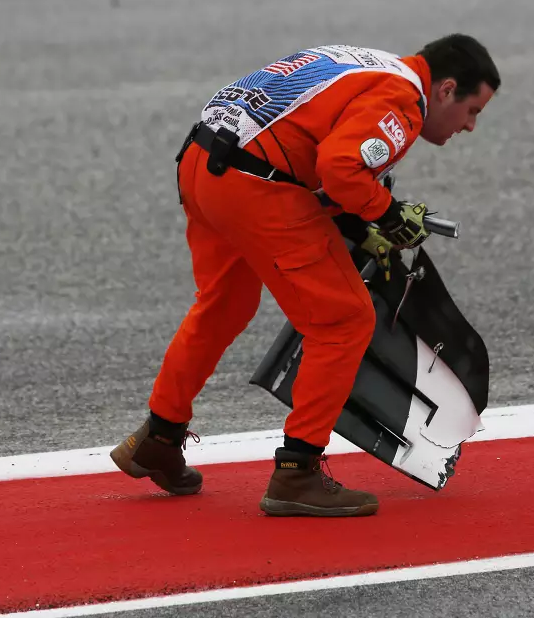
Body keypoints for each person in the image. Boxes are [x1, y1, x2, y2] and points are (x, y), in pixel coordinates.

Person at [110, 34, 500, 517]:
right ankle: (297, 473)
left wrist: (358, 219)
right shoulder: (404, 102)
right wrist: (386, 213)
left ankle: (159, 438)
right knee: (343, 319)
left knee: (223, 305)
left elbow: (309, 144)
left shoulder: (370, 63)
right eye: (472, 110)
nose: (470, 126)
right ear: (445, 90)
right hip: (256, 184)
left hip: (202, 163)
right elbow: (339, 168)